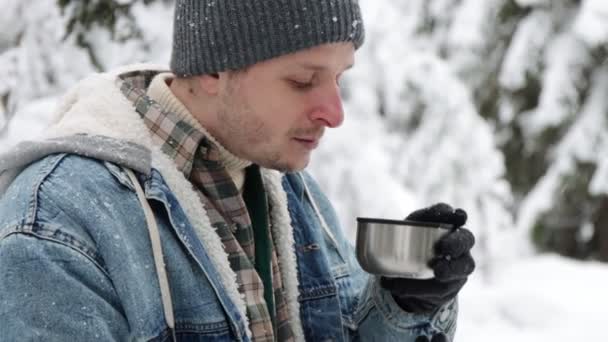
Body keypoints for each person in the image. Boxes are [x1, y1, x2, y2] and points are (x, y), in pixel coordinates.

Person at [0, 0, 475, 341]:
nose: (334, 112)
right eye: (302, 80)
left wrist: (406, 303)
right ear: (213, 71)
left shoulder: (286, 187)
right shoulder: (57, 224)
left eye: (339, 78)